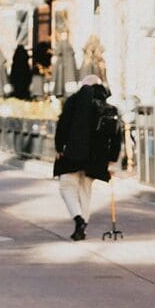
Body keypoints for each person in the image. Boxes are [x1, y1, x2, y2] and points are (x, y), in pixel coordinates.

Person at [53, 74, 122, 241]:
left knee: (66, 187)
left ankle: (79, 220)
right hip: (96, 158)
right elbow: (116, 136)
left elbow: (62, 125)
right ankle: (82, 227)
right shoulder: (109, 108)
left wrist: (59, 147)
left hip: (73, 154)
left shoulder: (73, 102)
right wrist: (112, 158)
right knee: (85, 191)